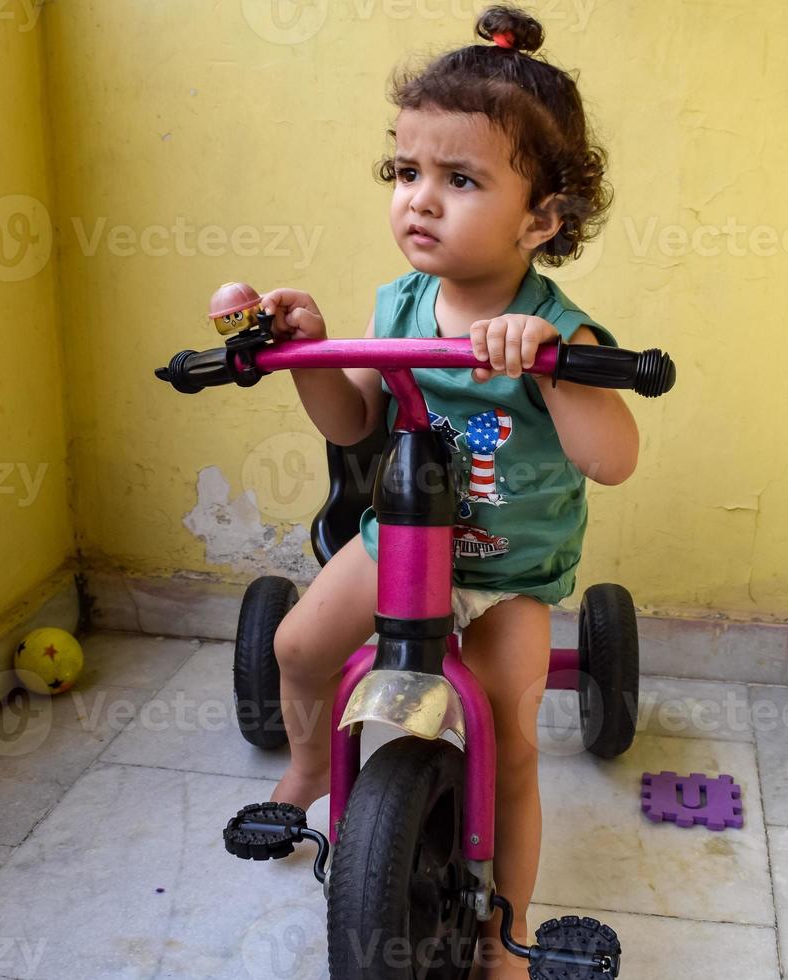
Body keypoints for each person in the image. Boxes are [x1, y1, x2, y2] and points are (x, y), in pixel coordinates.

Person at [258, 4, 640, 974]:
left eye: (458, 178)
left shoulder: (561, 332)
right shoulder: (398, 303)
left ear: (540, 218)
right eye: (405, 171)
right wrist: (308, 345)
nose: (418, 199)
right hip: (405, 542)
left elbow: (612, 456)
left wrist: (549, 365)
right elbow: (351, 420)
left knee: (508, 735)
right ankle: (307, 764)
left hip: (507, 569)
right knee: (297, 644)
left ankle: (505, 930)